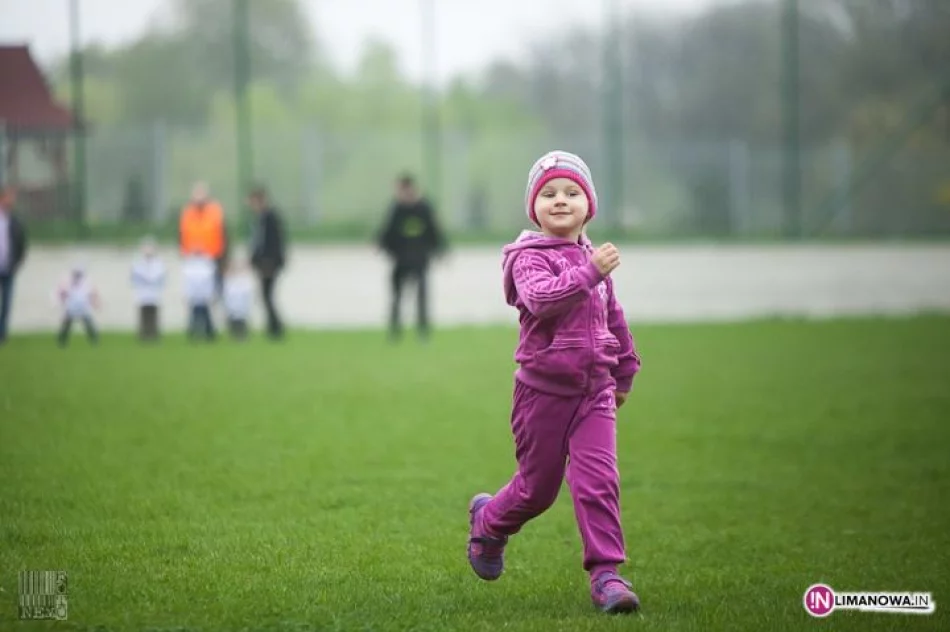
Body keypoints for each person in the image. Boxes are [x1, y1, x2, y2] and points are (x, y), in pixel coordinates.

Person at [465, 151, 643, 614]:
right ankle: (490, 520)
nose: (560, 201)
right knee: (537, 490)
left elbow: (613, 318)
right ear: (533, 207)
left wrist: (624, 370)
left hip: (594, 393)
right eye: (548, 194)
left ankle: (607, 576)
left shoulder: (593, 260)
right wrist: (590, 272)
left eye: (571, 193)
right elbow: (543, 301)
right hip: (541, 393)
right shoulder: (528, 259)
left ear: (589, 205)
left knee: (598, 481)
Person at [377, 173, 446, 342]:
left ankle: (423, 333)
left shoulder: (423, 208)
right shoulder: (396, 209)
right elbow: (387, 232)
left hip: (420, 260)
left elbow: (434, 231)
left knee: (422, 297)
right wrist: (383, 247)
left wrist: (441, 249)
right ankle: (395, 331)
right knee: (397, 297)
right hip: (400, 261)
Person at [248, 186, 286, 339]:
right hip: (265, 263)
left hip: (269, 263)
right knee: (266, 295)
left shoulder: (269, 218)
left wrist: (269, 261)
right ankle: (273, 326)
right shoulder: (262, 218)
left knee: (267, 295)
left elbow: (272, 243)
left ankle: (275, 327)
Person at [179, 182, 229, 297]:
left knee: (214, 291)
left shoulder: (215, 211)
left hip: (214, 256)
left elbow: (223, 234)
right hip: (192, 258)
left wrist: (224, 257)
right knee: (194, 293)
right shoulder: (188, 212)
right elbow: (182, 234)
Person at [0, 183, 28, 344]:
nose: (11, 201)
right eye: (8, 198)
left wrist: (17, 262)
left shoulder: (15, 221)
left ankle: (2, 334)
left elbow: (21, 243)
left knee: (6, 303)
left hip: (8, 268)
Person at [130, 236, 167, 342]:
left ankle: (153, 334)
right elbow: (134, 277)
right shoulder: (138, 262)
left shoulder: (158, 263)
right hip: (142, 292)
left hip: (154, 292)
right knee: (143, 314)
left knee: (153, 314)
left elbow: (161, 277)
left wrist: (153, 281)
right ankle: (143, 334)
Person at [56, 265, 100, 347]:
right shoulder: (69, 283)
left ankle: (94, 340)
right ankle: (61, 341)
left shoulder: (85, 283)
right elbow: (63, 293)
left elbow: (91, 294)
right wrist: (62, 301)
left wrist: (95, 303)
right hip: (72, 307)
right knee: (66, 325)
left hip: (83, 307)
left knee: (88, 324)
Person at [182, 252, 217, 342]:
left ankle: (208, 333)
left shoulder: (207, 266)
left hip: (203, 294)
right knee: (195, 314)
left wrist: (209, 294)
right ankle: (194, 332)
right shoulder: (190, 267)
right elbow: (188, 283)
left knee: (205, 314)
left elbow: (209, 282)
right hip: (195, 294)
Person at [222, 259, 253, 341]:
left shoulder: (243, 279)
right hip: (232, 303)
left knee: (241, 320)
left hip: (241, 304)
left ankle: (242, 335)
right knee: (233, 320)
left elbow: (247, 291)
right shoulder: (228, 279)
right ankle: (234, 335)